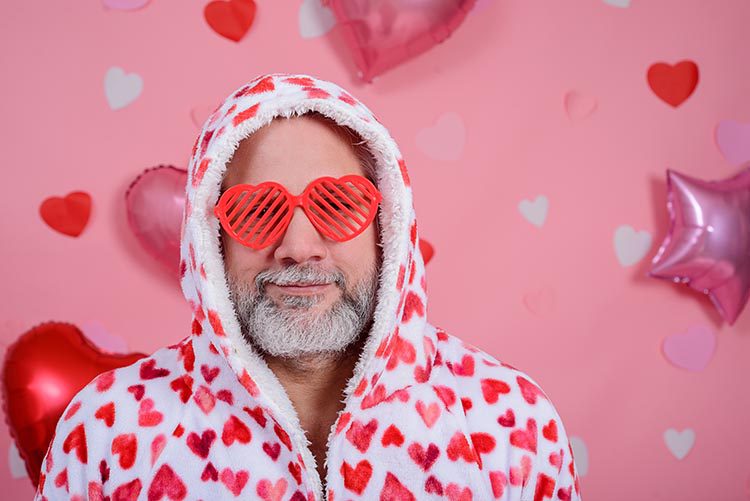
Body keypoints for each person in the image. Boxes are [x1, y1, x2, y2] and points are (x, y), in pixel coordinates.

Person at [36, 73, 581, 500]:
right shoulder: (108, 430)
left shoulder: (512, 424)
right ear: (210, 240)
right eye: (256, 210)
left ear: (387, 226)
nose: (298, 247)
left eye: (338, 204)